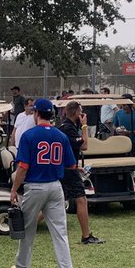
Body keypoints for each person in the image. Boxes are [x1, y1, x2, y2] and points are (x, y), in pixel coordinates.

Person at [10, 98, 75, 268]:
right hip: (55, 186)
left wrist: (14, 189)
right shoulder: (61, 135)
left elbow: (23, 167)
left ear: (37, 113)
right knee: (60, 235)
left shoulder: (29, 135)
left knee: (27, 232)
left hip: (35, 186)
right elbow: (70, 164)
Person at [57, 101, 103, 245]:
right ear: (76, 113)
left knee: (54, 203)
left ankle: (28, 226)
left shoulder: (66, 127)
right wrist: (84, 126)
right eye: (81, 111)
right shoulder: (68, 128)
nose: (83, 114)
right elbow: (84, 146)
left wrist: (76, 166)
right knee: (81, 200)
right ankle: (86, 236)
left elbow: (68, 152)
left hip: (67, 168)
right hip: (68, 172)